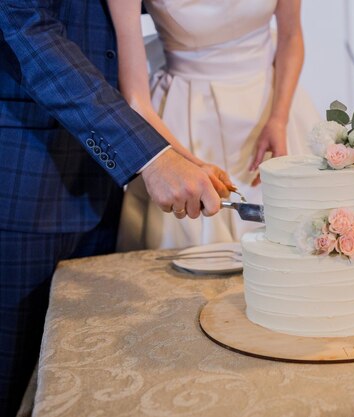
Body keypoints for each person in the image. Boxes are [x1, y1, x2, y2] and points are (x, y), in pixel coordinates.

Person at [0, 1, 233, 415]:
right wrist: (153, 157)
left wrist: (178, 158)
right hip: (25, 182)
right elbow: (29, 29)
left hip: (101, 180)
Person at [114, 0, 319, 251]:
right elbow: (136, 99)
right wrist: (187, 163)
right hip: (184, 116)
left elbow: (291, 35)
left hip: (274, 106)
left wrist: (279, 118)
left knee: (297, 244)